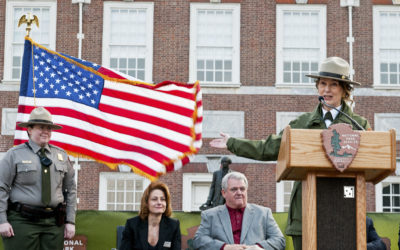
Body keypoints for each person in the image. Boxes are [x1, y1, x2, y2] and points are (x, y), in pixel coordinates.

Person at [209, 57, 371, 250]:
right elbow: (269, 148)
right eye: (322, 83)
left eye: (333, 84)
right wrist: (232, 143)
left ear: (345, 89)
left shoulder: (359, 125)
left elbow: (371, 158)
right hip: (306, 210)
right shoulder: (302, 123)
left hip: (343, 210)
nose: (326, 90)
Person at [0, 107, 77, 250]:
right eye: (41, 127)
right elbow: (2, 188)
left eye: (49, 128)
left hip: (54, 224)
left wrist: (70, 221)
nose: (46, 131)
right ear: (29, 129)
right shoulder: (14, 154)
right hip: (22, 222)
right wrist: (2, 221)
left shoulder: (61, 156)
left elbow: (71, 189)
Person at [193, 172, 286, 250]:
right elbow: (199, 240)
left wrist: (258, 247)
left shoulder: (264, 213)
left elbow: (279, 240)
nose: (239, 193)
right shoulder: (210, 215)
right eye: (234, 189)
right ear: (224, 193)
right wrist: (225, 247)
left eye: (242, 189)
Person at [120, 181, 181, 250]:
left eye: (163, 199)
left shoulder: (173, 225)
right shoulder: (132, 225)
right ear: (146, 203)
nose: (159, 202)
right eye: (154, 199)